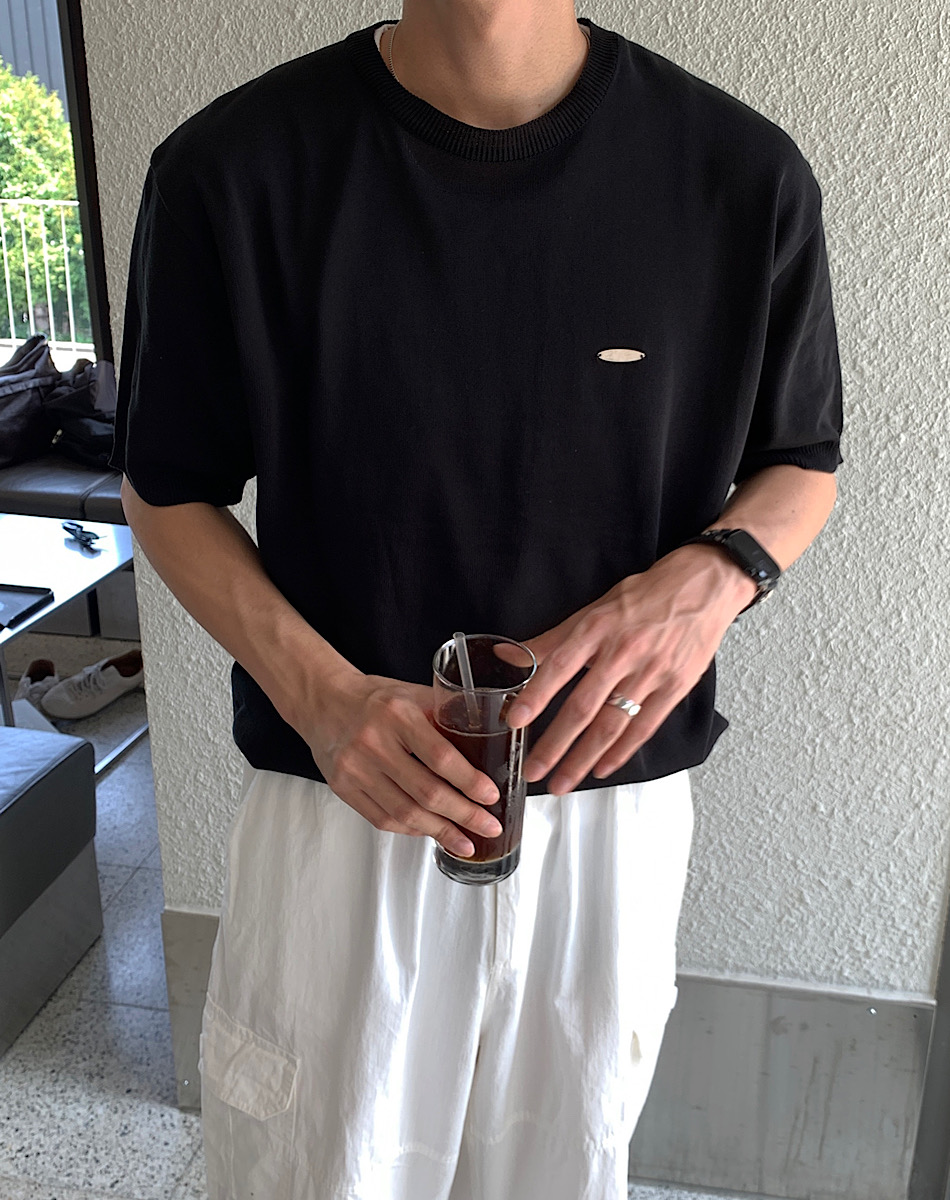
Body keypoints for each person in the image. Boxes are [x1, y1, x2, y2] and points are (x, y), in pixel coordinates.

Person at [108, 2, 842, 1197]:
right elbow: (164, 485)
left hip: (608, 800)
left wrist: (711, 578)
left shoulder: (735, 171)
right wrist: (324, 699)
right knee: (320, 1171)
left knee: (563, 1166)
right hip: (342, 797)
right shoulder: (232, 167)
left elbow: (799, 459)